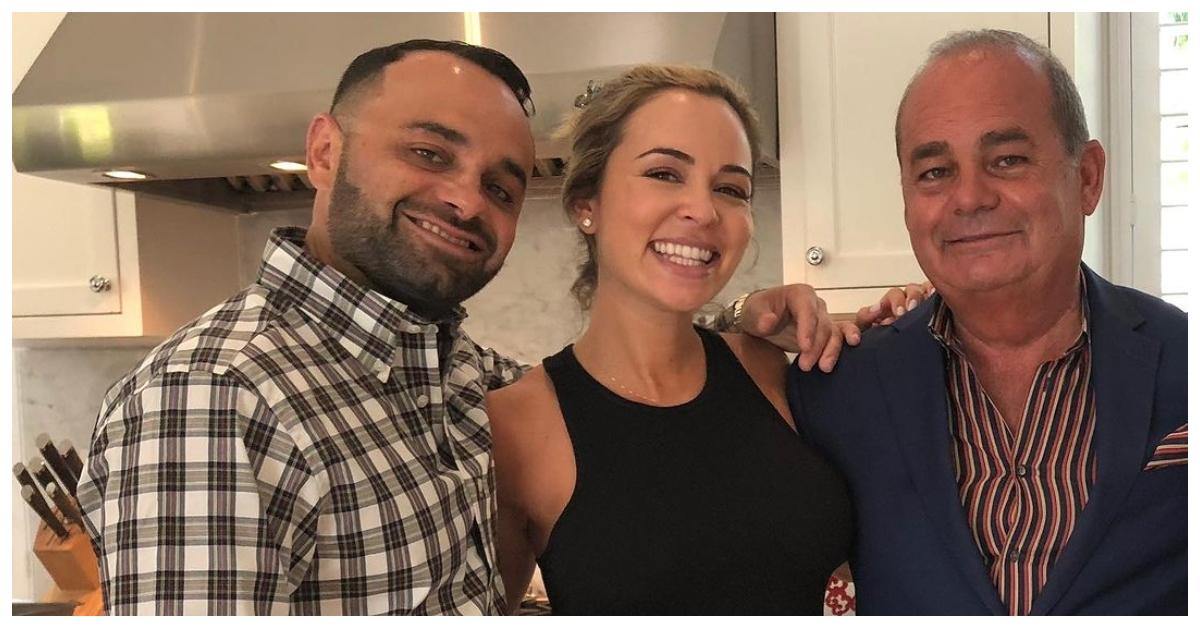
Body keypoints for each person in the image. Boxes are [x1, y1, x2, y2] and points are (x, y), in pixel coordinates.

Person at [75, 39, 872, 615]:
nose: (465, 199)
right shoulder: (210, 399)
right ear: (324, 150)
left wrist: (743, 318)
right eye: (429, 152)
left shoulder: (454, 373)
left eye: (501, 183)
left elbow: (648, 409)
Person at [786, 30, 1187, 615]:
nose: (969, 197)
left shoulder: (1185, 360)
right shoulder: (832, 388)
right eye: (934, 172)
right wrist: (744, 314)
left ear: (1088, 177)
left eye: (1007, 160)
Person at [487, 65, 856, 615]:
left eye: (731, 188)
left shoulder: (770, 367)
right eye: (664, 173)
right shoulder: (514, 426)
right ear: (587, 202)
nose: (703, 211)